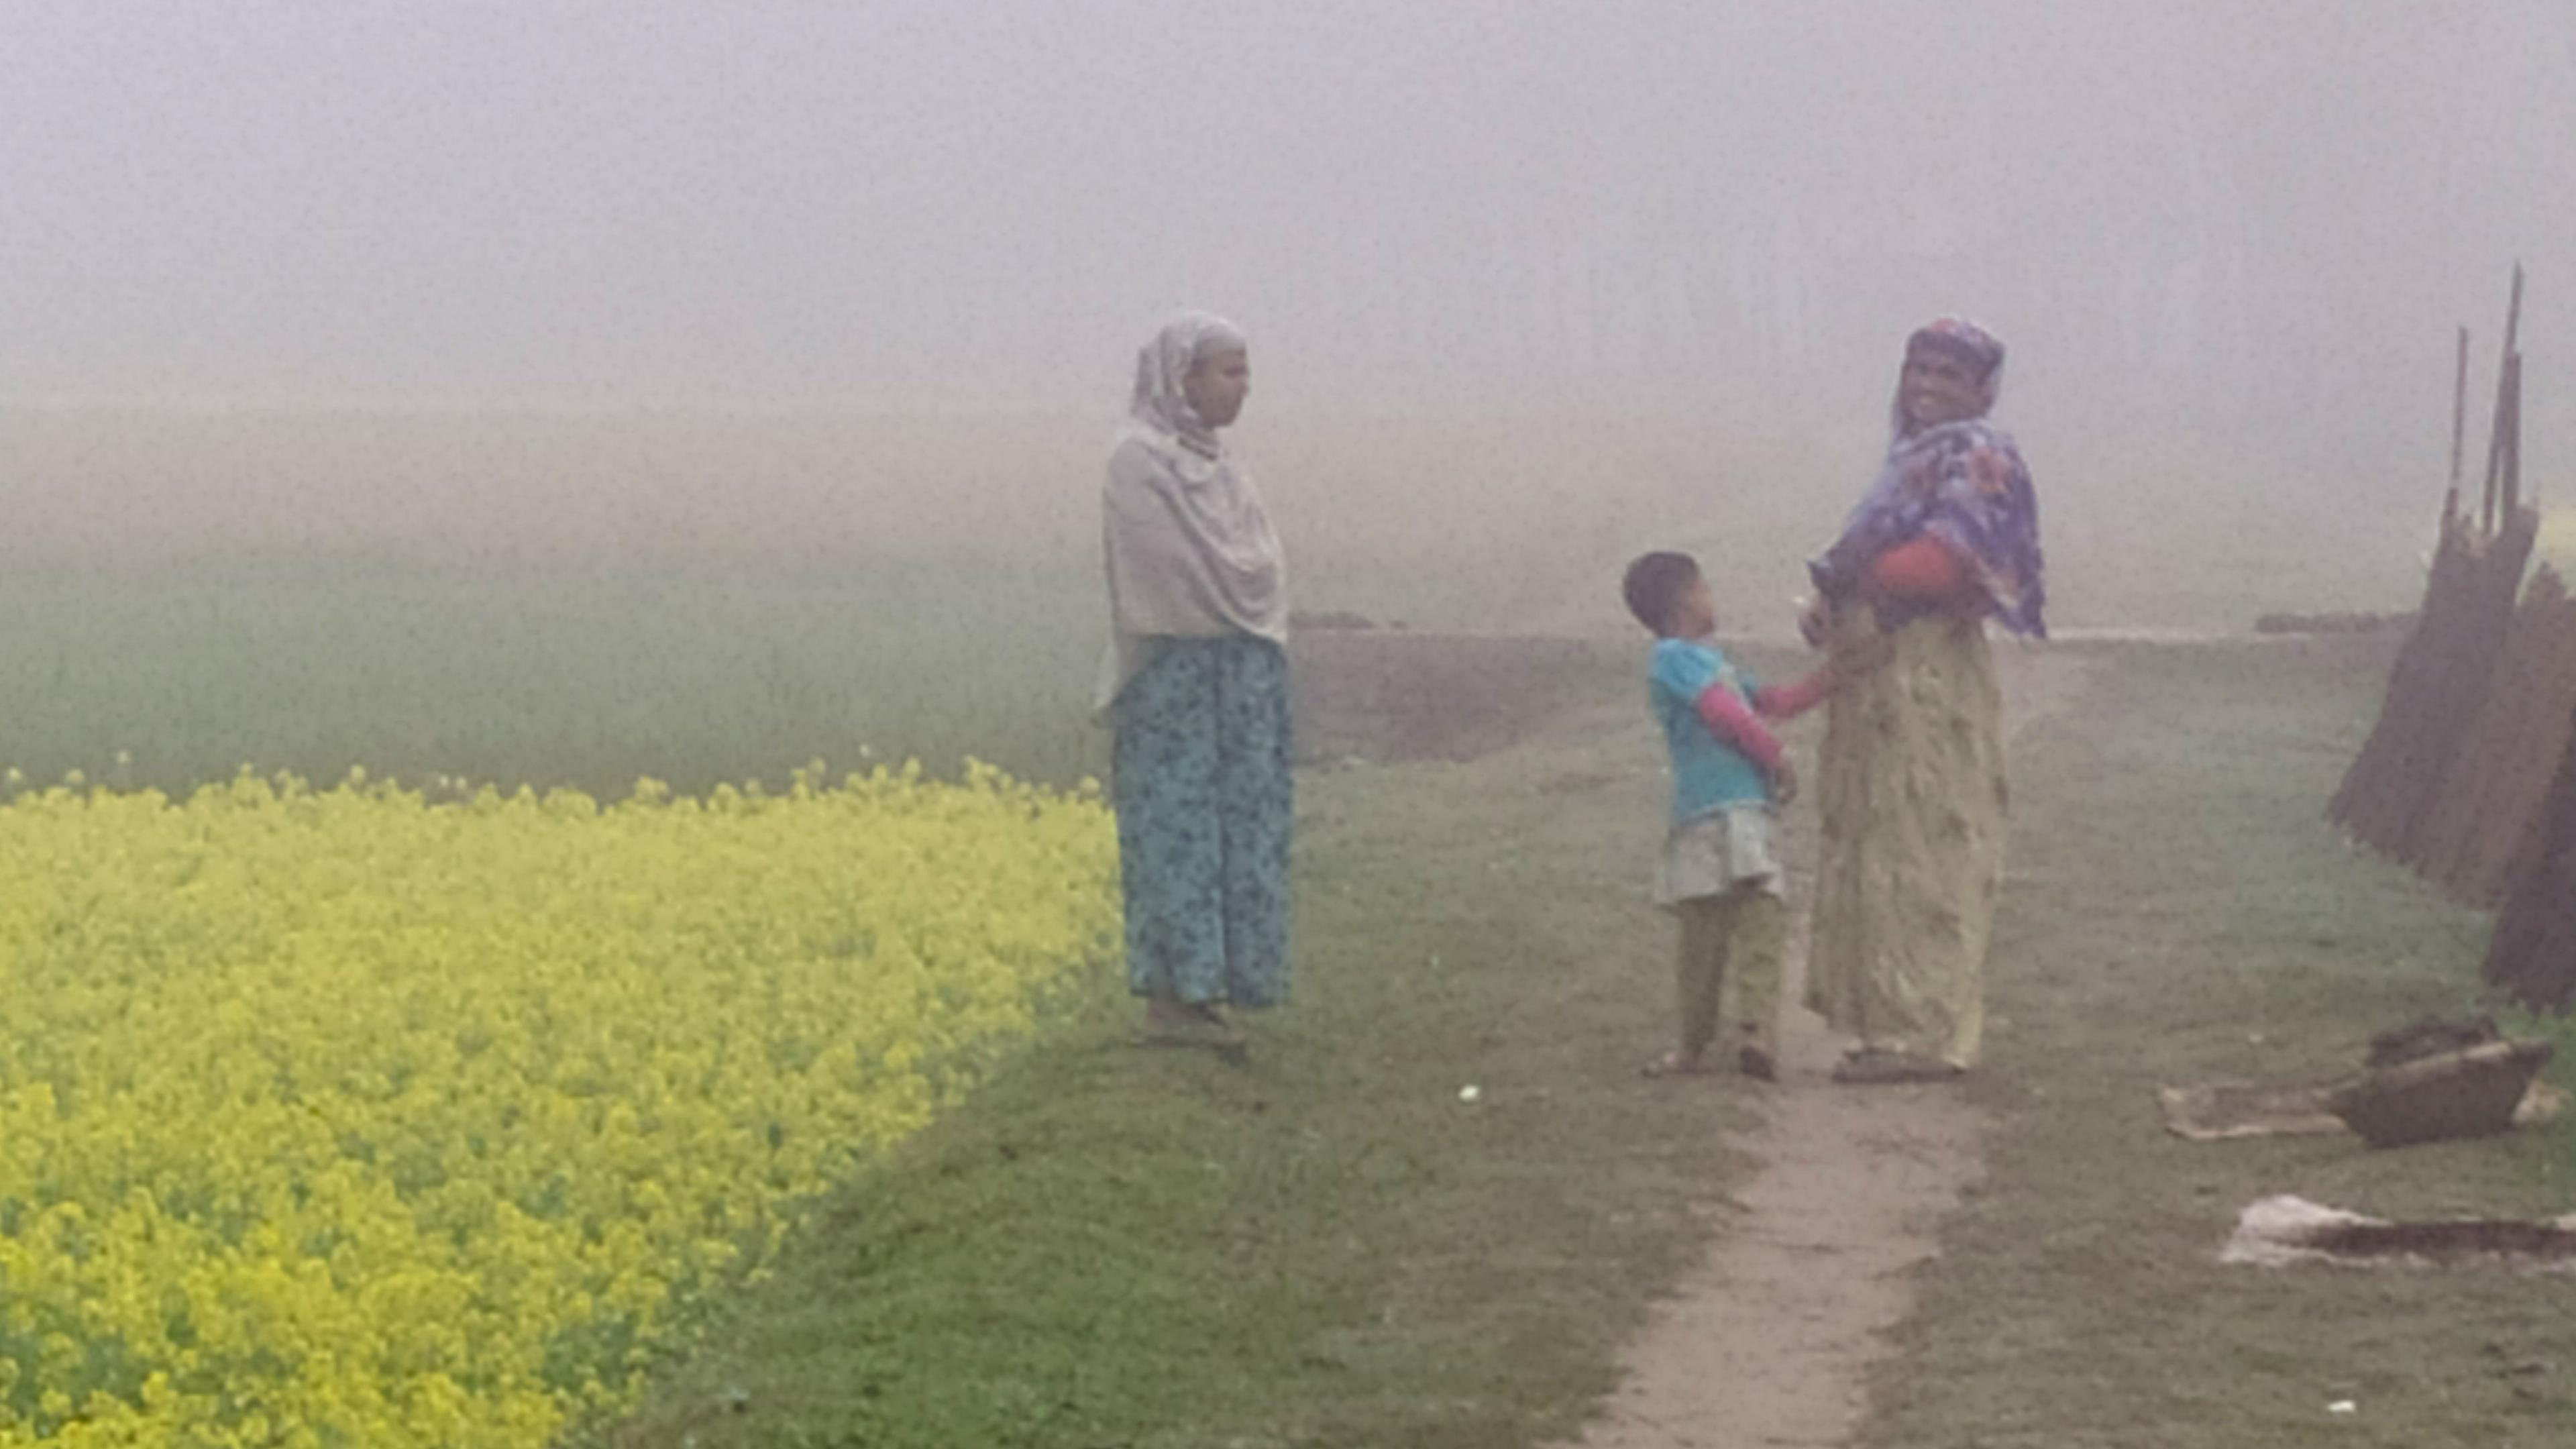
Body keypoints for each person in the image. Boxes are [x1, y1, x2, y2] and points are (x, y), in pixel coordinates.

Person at [1800, 317, 2045, 1085]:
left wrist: (1861, 580)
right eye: (1919, 371)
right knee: (1878, 840)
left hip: (1927, 674)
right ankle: (1886, 1025)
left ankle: (1926, 1036)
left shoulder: (1980, 456)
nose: (1929, 387)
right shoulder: (1912, 458)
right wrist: (1831, 598)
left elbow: (1942, 566)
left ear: (1981, 390)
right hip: (1880, 675)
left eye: (1948, 375)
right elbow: (1866, 553)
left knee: (1924, 841)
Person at [1097, 313, 1289, 1056]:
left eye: (1244, 372)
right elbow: (1168, 571)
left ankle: (1221, 990)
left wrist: (1243, 600)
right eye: (1227, 372)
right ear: (1182, 379)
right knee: (1176, 827)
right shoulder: (1137, 460)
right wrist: (1234, 595)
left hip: (1239, 668)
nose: (1241, 388)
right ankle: (1175, 995)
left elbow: (1262, 563)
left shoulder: (1222, 463)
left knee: (1237, 827)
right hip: (1174, 669)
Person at [1625, 551, 1862, 1081]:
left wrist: (1833, 678)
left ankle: (1755, 1034)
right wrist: (1775, 758)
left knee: (1760, 918)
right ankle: (1696, 1043)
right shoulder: (1673, 658)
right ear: (1683, 600)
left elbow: (1774, 700)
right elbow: (1726, 715)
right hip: (1710, 816)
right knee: (1709, 936)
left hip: (1745, 815)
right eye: (1705, 586)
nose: (1712, 596)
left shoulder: (1716, 664)